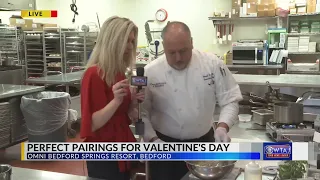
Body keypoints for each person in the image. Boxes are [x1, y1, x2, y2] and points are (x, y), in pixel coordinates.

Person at [141, 21, 243, 180]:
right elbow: (142, 112)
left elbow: (230, 99)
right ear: (163, 47)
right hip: (164, 147)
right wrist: (153, 139)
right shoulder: (150, 71)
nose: (178, 58)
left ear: (192, 42)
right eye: (171, 52)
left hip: (203, 146)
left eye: (183, 51)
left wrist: (223, 127)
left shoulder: (211, 64)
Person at [80, 16, 144, 180]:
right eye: (126, 41)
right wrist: (116, 101)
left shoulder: (118, 72)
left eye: (132, 41)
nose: (130, 47)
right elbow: (92, 124)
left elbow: (121, 115)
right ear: (113, 41)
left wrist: (133, 102)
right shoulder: (94, 74)